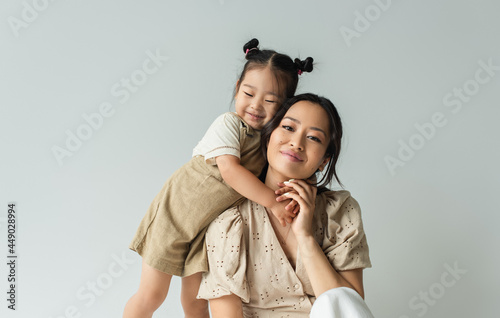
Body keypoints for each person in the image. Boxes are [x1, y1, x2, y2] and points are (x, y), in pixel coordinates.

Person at [123, 39, 314, 318]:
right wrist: (274, 203)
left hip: (205, 231)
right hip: (174, 216)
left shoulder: (269, 144)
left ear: (284, 108)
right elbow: (230, 170)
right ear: (237, 89)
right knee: (152, 295)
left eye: (270, 101)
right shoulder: (228, 124)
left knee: (197, 302)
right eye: (249, 93)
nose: (256, 106)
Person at [198, 93, 375, 317]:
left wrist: (305, 236)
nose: (297, 143)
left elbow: (349, 309)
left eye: (314, 138)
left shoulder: (340, 212)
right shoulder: (229, 221)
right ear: (269, 135)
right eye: (289, 128)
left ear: (324, 161)